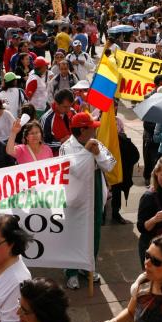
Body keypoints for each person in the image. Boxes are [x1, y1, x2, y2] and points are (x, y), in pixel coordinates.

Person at [60, 112, 116, 290]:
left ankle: (88, 268)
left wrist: (98, 154)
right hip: (75, 197)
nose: (95, 130)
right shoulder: (66, 147)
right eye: (92, 127)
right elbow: (72, 171)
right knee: (74, 234)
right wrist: (86, 153)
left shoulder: (96, 143)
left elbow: (110, 165)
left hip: (95, 194)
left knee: (94, 233)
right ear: (83, 130)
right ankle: (71, 272)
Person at [40, 89, 75, 155]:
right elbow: (42, 143)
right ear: (56, 103)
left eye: (70, 106)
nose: (68, 110)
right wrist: (61, 142)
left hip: (72, 154)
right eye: (65, 107)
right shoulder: (47, 118)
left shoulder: (72, 112)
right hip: (56, 158)